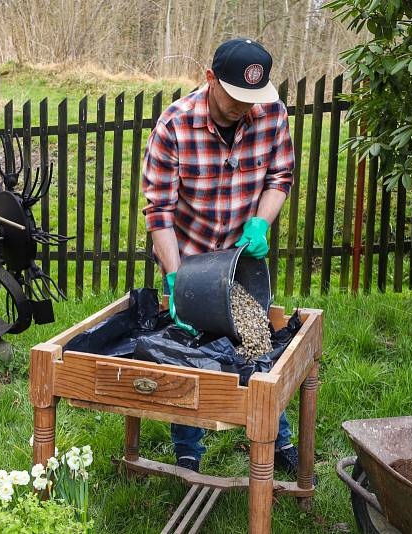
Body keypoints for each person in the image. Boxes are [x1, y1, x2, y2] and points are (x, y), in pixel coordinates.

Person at [141, 38, 296, 475]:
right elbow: (159, 211)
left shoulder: (272, 114)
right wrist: (175, 280)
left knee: (255, 343)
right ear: (210, 78)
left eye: (253, 99)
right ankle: (188, 445)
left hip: (241, 258)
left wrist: (261, 223)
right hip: (187, 254)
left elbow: (280, 174)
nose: (245, 108)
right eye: (235, 98)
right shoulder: (175, 124)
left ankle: (273, 437)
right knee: (188, 349)